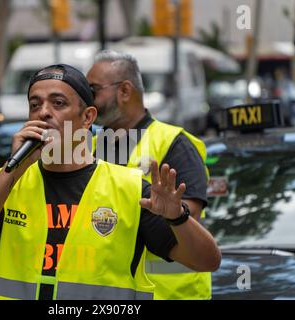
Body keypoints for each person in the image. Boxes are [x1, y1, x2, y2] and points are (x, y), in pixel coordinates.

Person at [0, 63, 221, 300]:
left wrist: (177, 218)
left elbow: (207, 260)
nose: (43, 112)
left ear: (88, 117)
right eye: (35, 104)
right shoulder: (11, 180)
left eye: (58, 103)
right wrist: (11, 171)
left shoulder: (128, 187)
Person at [86, 50, 211, 300]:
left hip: (169, 295)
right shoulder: (90, 147)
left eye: (93, 90)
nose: (87, 99)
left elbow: (188, 218)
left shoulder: (173, 143)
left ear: (124, 90)